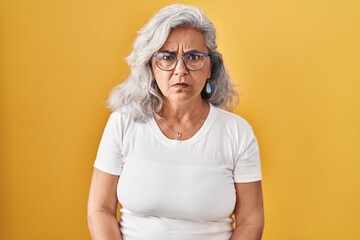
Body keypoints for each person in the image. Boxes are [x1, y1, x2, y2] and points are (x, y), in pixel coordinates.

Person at [87, 4, 264, 240]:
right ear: (151, 66)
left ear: (211, 66)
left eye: (193, 57)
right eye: (167, 57)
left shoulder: (237, 132)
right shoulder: (122, 123)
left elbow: (250, 221)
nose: (180, 70)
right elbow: (100, 210)